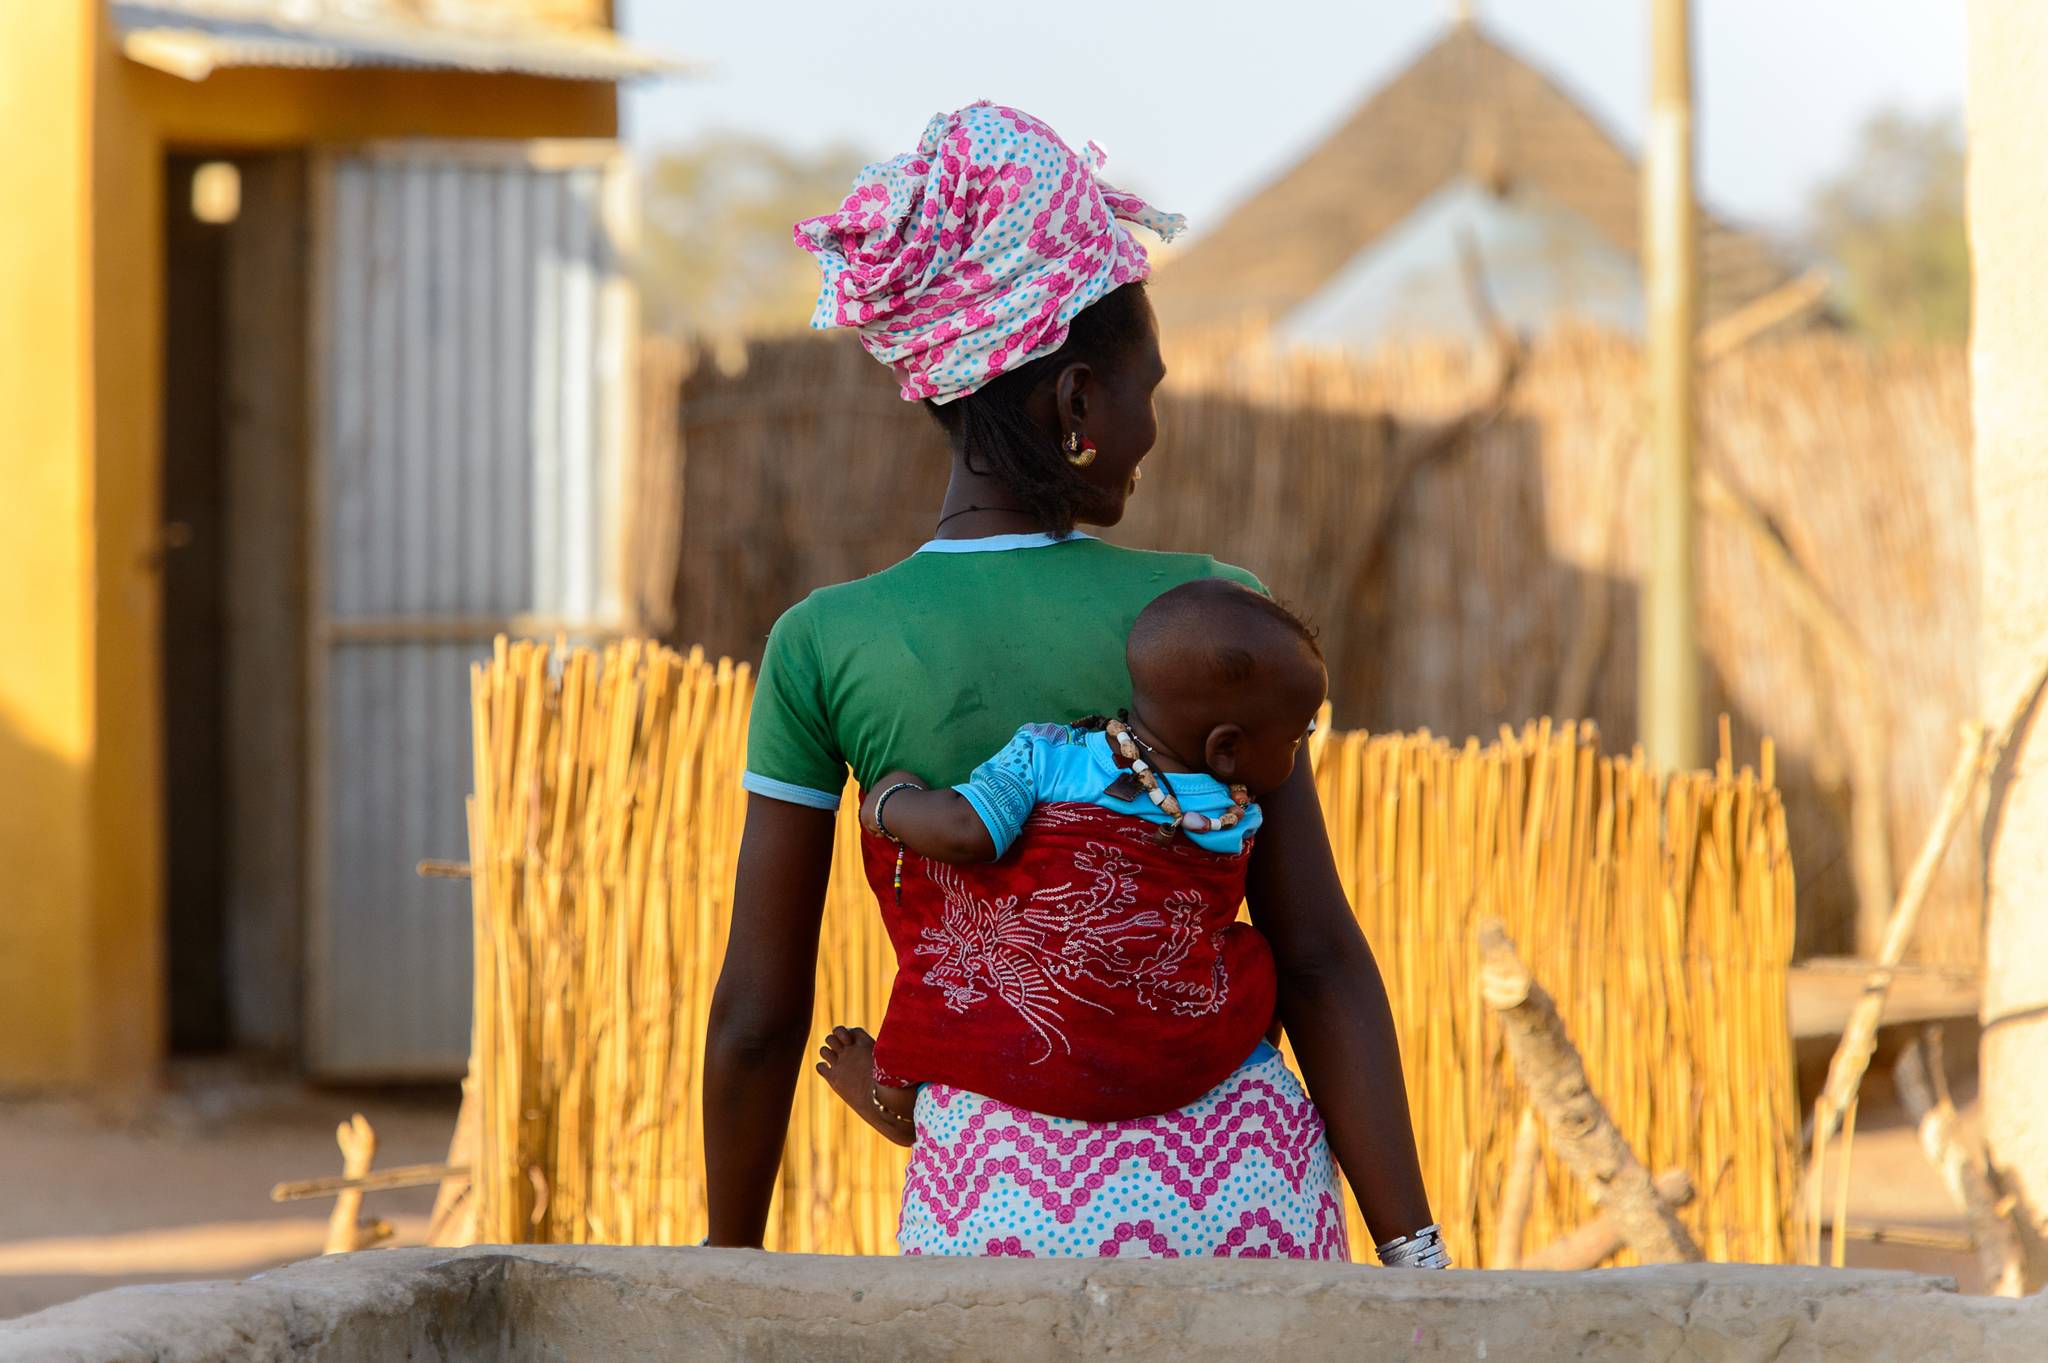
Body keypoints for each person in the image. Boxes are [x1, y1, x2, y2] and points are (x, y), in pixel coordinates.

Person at [703, 101, 1443, 1266]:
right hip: (1239, 1197)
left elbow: (758, 1017)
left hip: (1000, 1210)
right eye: (1146, 386)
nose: (1153, 424)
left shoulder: (824, 643)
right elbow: (1317, 957)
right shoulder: (1215, 616)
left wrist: (725, 1266)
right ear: (1077, 403)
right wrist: (1417, 1259)